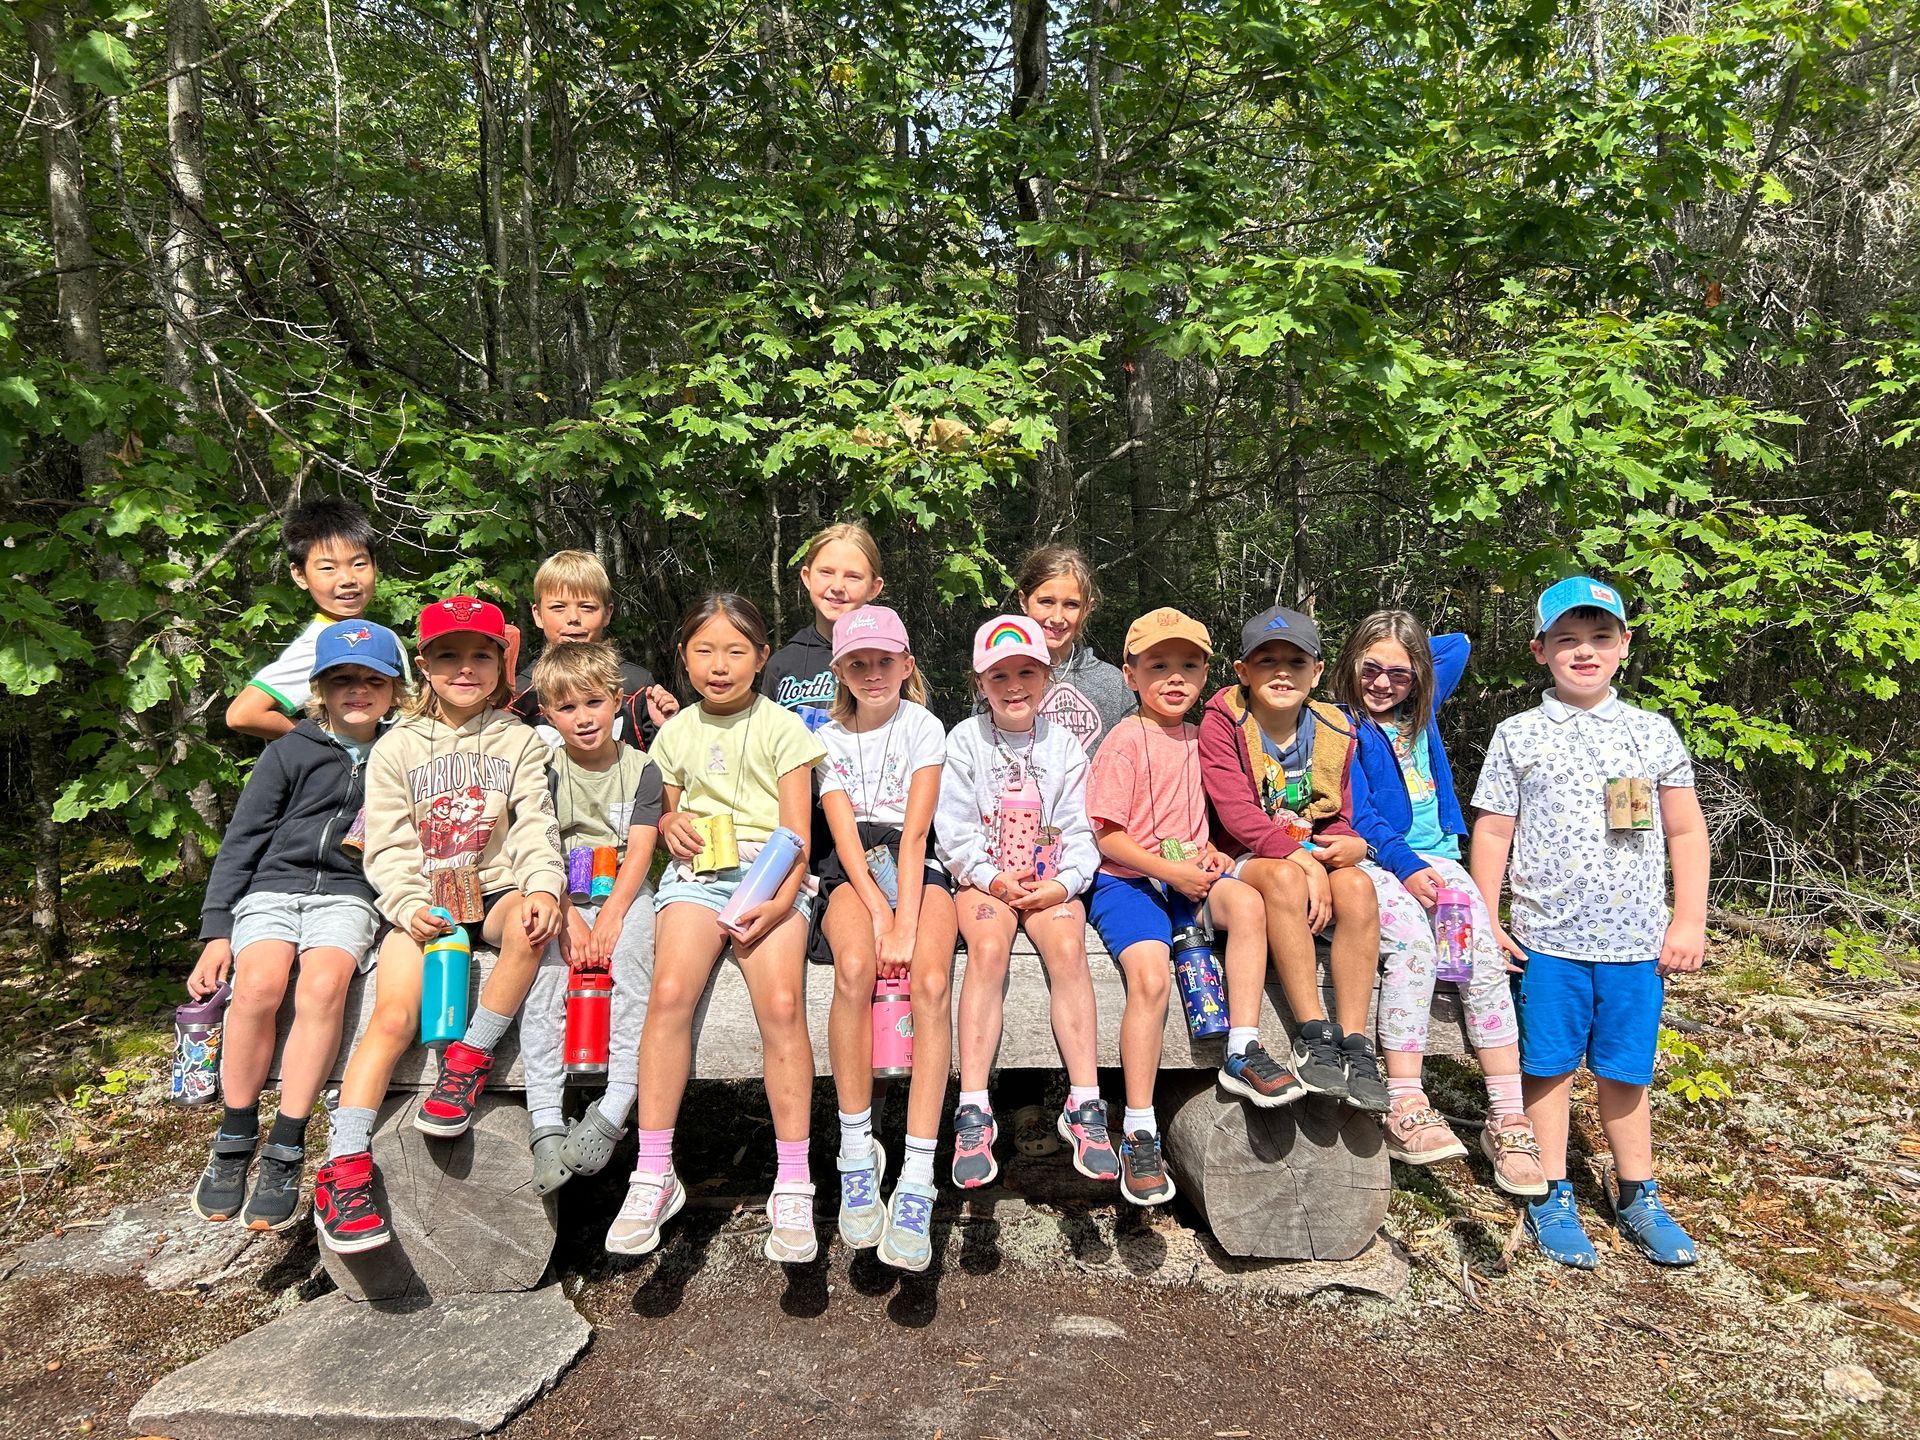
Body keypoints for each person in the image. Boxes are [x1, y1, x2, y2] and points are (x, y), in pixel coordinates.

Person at [312, 597, 565, 1254]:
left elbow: (535, 824)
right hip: (425, 903)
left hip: (495, 887)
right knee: (394, 1016)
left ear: (502, 664)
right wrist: (405, 905)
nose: (465, 669)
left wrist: (543, 886)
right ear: (423, 666)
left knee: (532, 928)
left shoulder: (519, 740)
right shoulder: (397, 746)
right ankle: (343, 1167)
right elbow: (388, 843)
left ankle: (468, 1061)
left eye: (480, 655)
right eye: (448, 656)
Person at [1471, 577, 1708, 1268]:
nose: (1585, 652)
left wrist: (1688, 920)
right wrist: (1487, 917)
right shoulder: (1518, 735)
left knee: (1626, 1072)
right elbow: (1494, 830)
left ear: (1624, 645)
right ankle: (1550, 1191)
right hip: (1546, 942)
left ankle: (1638, 1194)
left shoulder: (1651, 732)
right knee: (1546, 1068)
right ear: (1539, 650)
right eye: (1567, 639)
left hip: (1636, 944)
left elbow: (1685, 831)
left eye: (1600, 637)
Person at [606, 595, 827, 1263]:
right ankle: (653, 1172)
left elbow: (798, 833)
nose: (719, 665)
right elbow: (671, 817)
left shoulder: (785, 728)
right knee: (670, 993)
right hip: (699, 878)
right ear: (684, 658)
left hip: (773, 877)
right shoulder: (675, 733)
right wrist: (672, 823)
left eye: (735, 651)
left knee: (781, 1005)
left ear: (762, 658)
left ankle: (794, 1179)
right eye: (704, 651)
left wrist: (780, 904)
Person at [187, 621, 407, 1230]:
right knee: (257, 986)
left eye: (373, 680)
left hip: (350, 892)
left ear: (394, 690)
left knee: (323, 986)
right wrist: (216, 931)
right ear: (319, 690)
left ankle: (288, 1142)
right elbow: (243, 839)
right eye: (341, 680)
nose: (357, 691)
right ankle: (234, 1135)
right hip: (274, 887)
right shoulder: (290, 750)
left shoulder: (402, 751)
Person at [1329, 612, 1543, 1194]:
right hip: (1379, 861)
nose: (1382, 683)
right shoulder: (1340, 725)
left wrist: (1400, 641)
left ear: (1419, 676)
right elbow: (1361, 815)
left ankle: (1508, 1116)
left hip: (1439, 862)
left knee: (1479, 959)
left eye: (1399, 673)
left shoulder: (1420, 713)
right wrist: (1407, 867)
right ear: (1350, 664)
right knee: (1415, 948)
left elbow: (1459, 644)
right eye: (1369, 669)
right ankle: (1405, 1100)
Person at [1084, 608, 1278, 1205]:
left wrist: (1215, 852)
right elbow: (1107, 836)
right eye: (1158, 666)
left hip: (1191, 876)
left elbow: (1215, 819)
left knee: (1247, 904)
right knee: (1149, 977)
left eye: (1189, 666)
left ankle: (1242, 1046)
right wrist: (1171, 872)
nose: (1174, 678)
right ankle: (1139, 1127)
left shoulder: (1204, 739)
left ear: (1206, 674)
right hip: (1129, 882)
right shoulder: (1123, 741)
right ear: (1130, 676)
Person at [937, 616, 1110, 1187]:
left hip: (1048, 880)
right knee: (988, 947)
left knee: (1067, 945)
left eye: (1027, 673)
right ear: (979, 683)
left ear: (1047, 677)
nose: (1014, 686)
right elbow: (953, 830)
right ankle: (973, 1106)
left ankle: (1084, 1101)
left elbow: (1081, 829)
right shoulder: (964, 741)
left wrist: (1064, 883)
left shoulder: (1064, 746)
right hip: (983, 882)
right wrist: (990, 877)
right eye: (999, 676)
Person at [1198, 605, 1389, 1113]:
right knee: (1285, 877)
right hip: (1243, 855)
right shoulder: (1224, 721)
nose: (1282, 672)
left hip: (1307, 852)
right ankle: (1312, 1034)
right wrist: (1304, 862)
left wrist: (1349, 845)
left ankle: (1355, 1042)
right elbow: (1236, 813)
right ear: (1243, 671)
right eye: (1267, 661)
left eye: (1296, 662)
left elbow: (1338, 813)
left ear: (1317, 671)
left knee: (1359, 886)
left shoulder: (1333, 728)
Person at [814, 605, 956, 1271]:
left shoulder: (924, 726)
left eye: (884, 661)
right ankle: (855, 1149)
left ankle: (919, 1174)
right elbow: (844, 836)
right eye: (858, 663)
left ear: (907, 665)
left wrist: (905, 920)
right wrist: (876, 910)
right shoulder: (825, 738)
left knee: (931, 980)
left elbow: (918, 833)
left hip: (916, 860)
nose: (873, 673)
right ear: (840, 671)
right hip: (852, 869)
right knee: (854, 969)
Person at [999, 545, 1135, 1157]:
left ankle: (1101, 1096)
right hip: (1010, 848)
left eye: (1070, 604)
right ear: (1023, 600)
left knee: (1092, 951)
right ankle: (1022, 1101)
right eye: (1045, 600)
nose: (1056, 615)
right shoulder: (999, 665)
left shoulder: (1108, 684)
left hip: (1090, 848)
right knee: (1010, 952)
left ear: (1088, 609)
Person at [517, 642, 663, 1195]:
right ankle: (545, 1117)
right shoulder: (544, 769)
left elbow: (641, 851)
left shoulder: (642, 769)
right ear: (547, 715)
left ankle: (617, 1100)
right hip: (560, 890)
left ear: (617, 701)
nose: (583, 718)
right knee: (545, 977)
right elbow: (541, 844)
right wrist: (570, 918)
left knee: (634, 967)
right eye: (567, 708)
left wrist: (612, 918)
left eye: (594, 703)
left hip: (624, 891)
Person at [226, 497, 400, 741]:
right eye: (328, 568)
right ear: (299, 574)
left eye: (359, 563)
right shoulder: (316, 645)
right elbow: (243, 715)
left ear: (375, 564)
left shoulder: (380, 636)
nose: (347, 579)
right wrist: (330, 742)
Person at [507, 549, 678, 747]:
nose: (573, 618)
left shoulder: (636, 685)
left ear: (607, 613)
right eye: (558, 607)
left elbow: (660, 759)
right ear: (538, 615)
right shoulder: (520, 694)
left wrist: (667, 727)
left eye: (587, 607)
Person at [762, 522, 887, 734]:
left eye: (853, 576)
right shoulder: (782, 664)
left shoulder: (889, 659)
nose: (837, 587)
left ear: (874, 588)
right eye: (826, 572)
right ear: (807, 577)